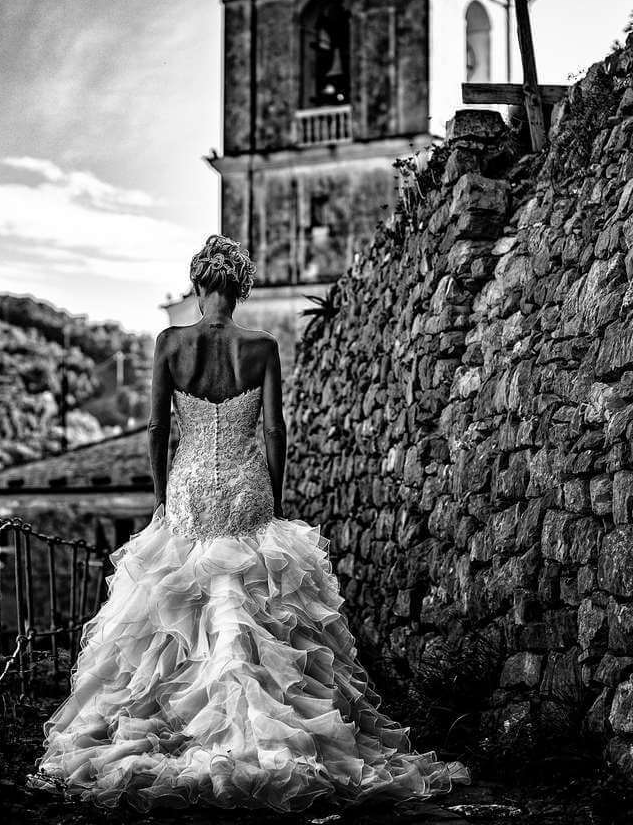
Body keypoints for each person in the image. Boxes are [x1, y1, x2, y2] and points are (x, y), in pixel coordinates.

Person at [35, 235, 470, 811]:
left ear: (198, 286)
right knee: (250, 598)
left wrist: (161, 495)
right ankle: (259, 729)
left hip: (190, 488)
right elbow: (274, 430)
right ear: (240, 290)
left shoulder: (170, 343)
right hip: (246, 488)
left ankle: (186, 725)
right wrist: (276, 495)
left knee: (177, 603)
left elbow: (158, 428)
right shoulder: (262, 346)